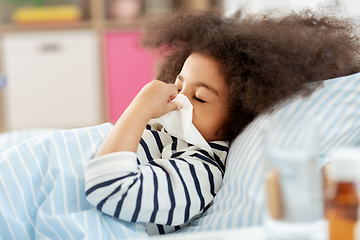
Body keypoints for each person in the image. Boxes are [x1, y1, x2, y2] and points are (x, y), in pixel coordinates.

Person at [84, 8, 360, 235]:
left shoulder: (200, 171)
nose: (180, 101)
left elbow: (111, 190)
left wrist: (140, 106)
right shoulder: (172, 136)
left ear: (238, 118)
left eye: (200, 98)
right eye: (179, 87)